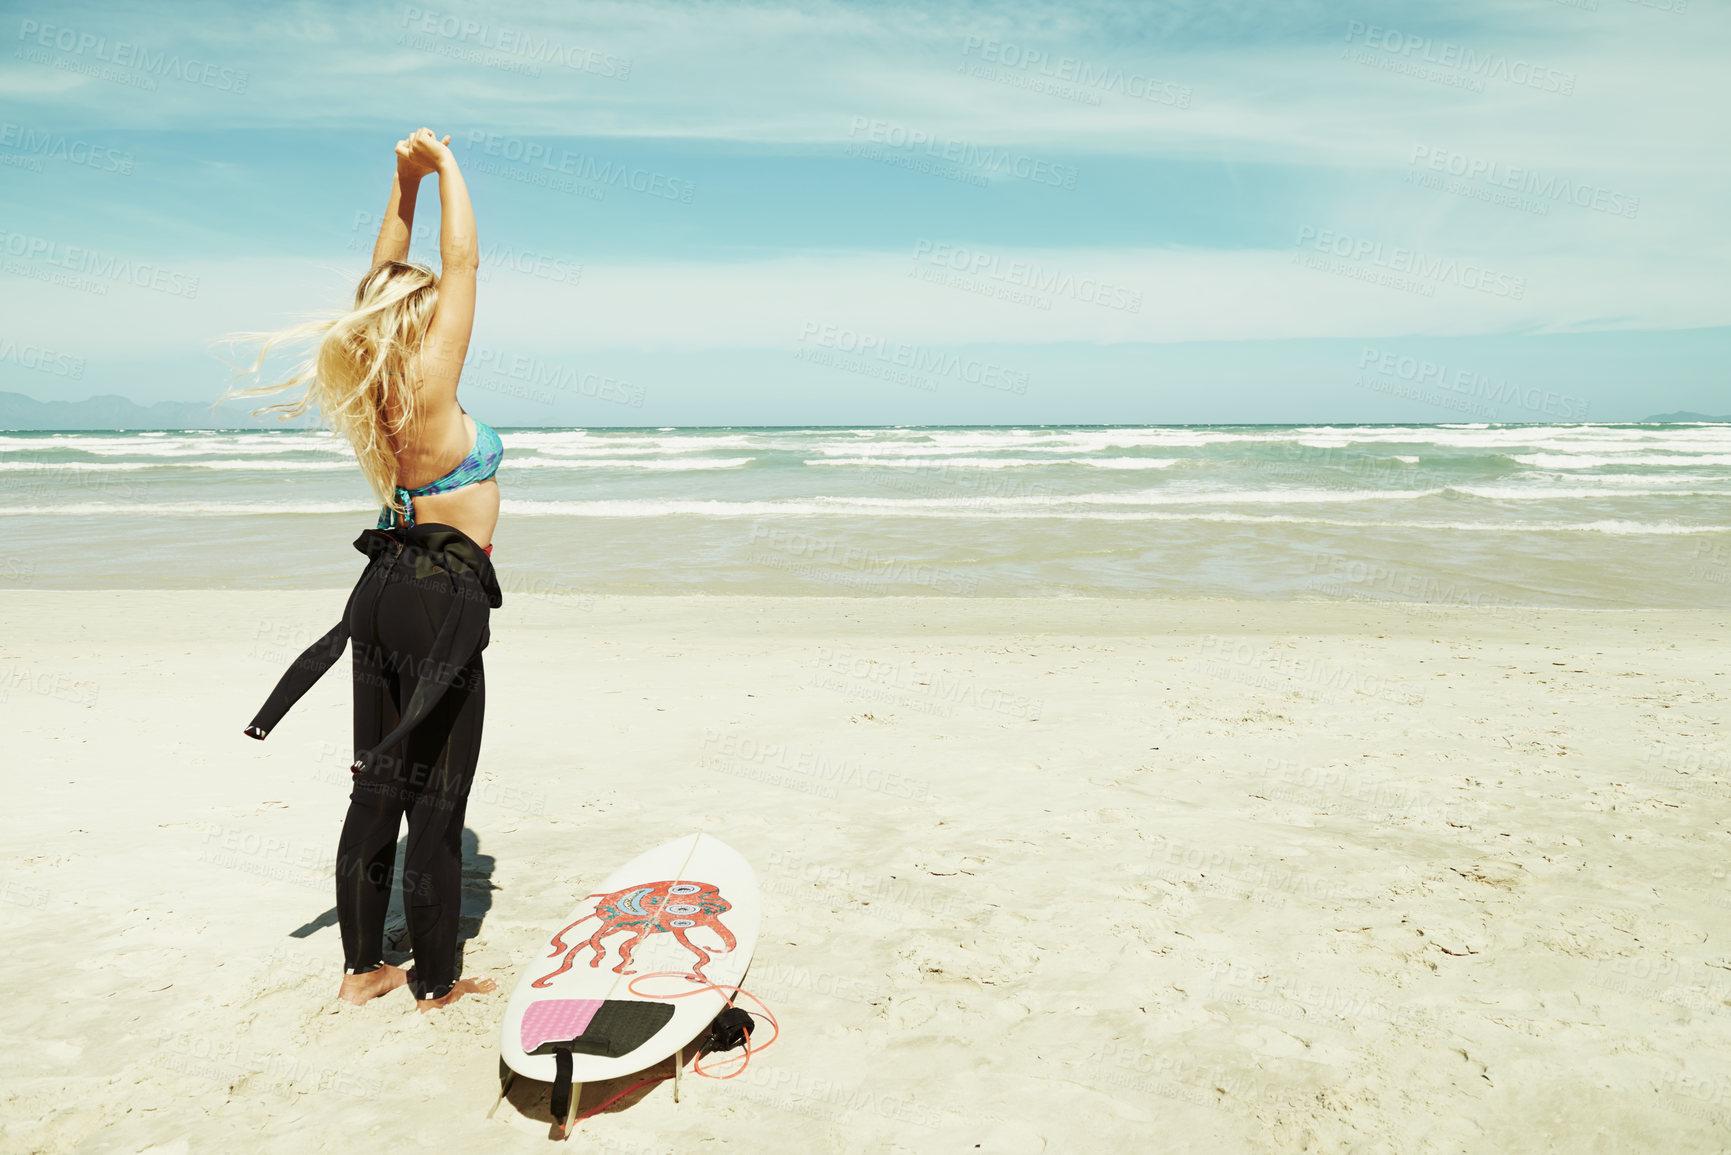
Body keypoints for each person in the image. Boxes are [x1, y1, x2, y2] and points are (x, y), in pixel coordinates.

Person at [220, 128, 502, 1011]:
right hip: (440, 598)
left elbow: (388, 272)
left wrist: (401, 184)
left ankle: (360, 971)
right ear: (422, 317)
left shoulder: (369, 387)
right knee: (437, 799)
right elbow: (463, 262)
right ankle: (435, 982)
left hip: (378, 591)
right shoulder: (431, 382)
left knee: (377, 788)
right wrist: (447, 167)